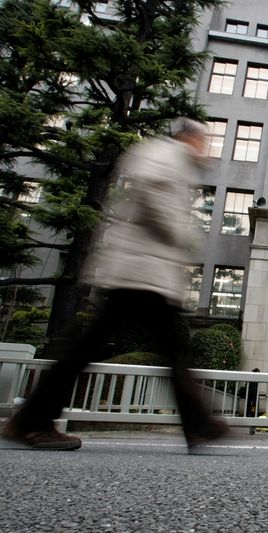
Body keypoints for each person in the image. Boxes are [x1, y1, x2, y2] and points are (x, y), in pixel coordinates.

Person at [2, 119, 228, 451]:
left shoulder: (173, 159)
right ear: (188, 137)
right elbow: (149, 188)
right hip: (139, 271)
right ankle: (31, 422)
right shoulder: (165, 154)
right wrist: (179, 234)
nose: (204, 149)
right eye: (202, 141)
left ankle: (198, 425)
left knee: (159, 349)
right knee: (116, 348)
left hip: (145, 272)